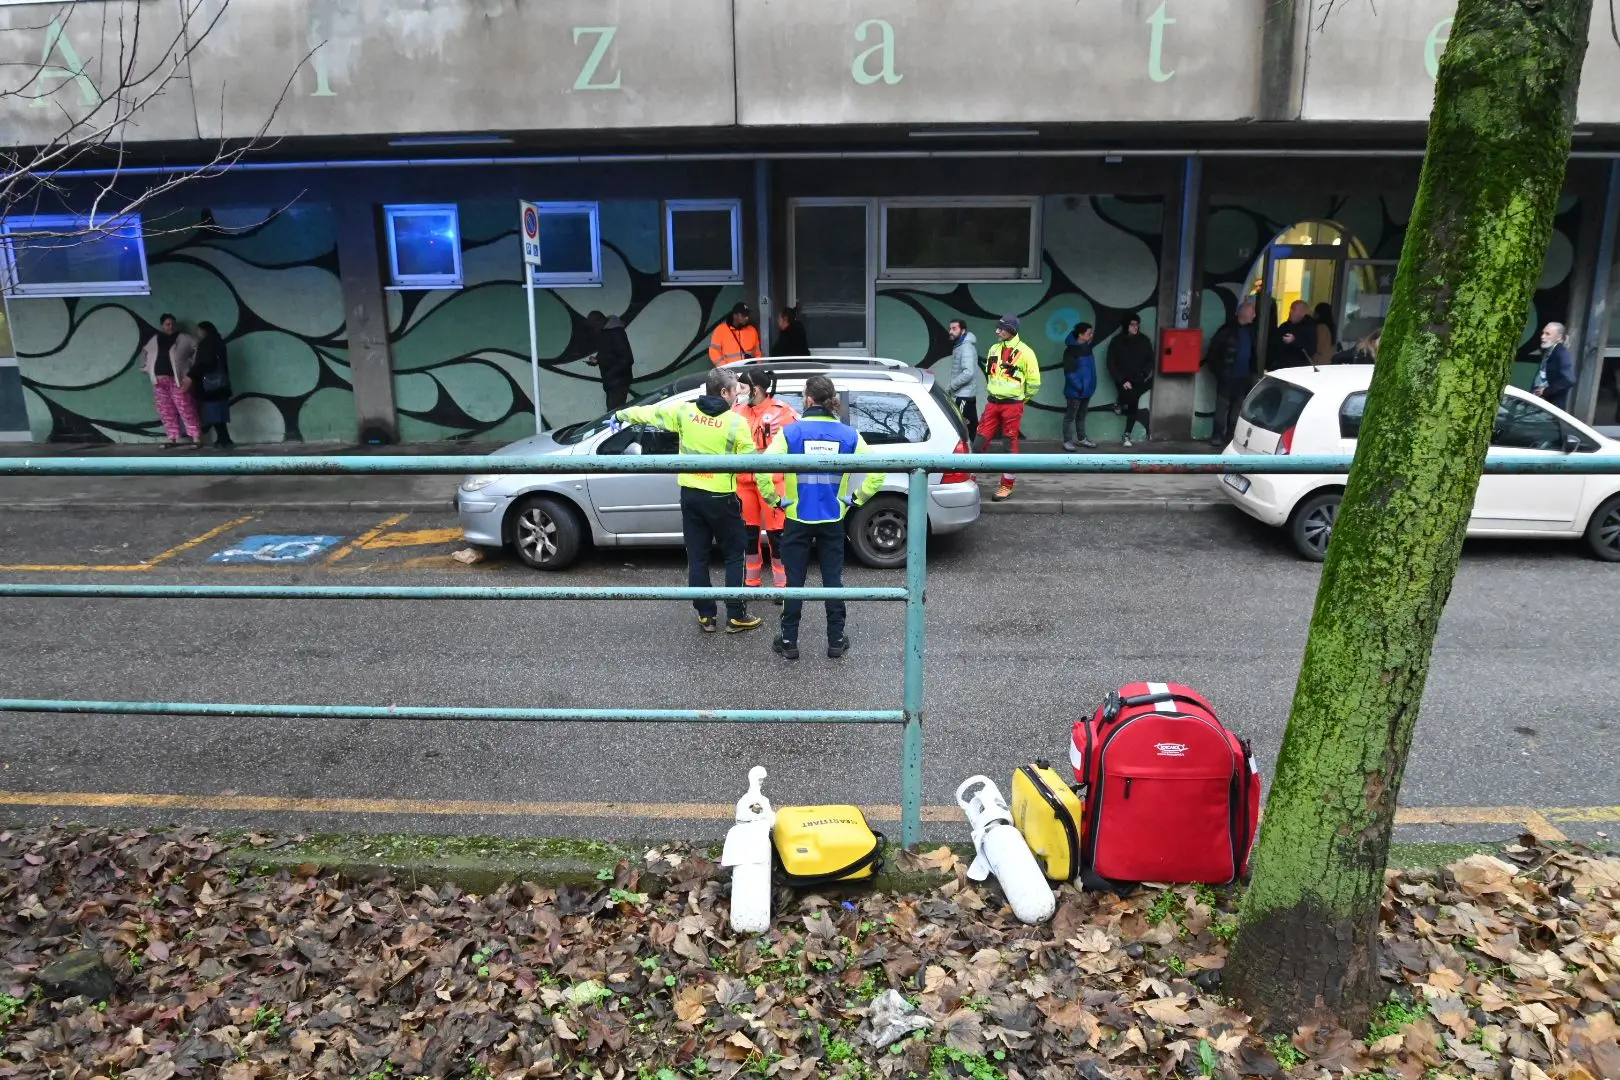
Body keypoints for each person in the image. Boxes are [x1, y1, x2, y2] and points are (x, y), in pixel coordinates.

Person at [615, 368, 763, 634]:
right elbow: (750, 462)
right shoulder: (735, 422)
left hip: (691, 495)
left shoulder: (685, 412)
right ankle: (736, 615)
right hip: (722, 498)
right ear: (723, 392)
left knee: (697, 557)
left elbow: (651, 413)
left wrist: (621, 414)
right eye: (734, 391)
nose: (737, 396)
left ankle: (706, 616)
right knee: (734, 554)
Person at [757, 375, 883, 661]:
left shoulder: (791, 432)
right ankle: (836, 641)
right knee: (832, 581)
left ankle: (789, 641)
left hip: (797, 518)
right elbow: (879, 471)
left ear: (808, 399)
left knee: (794, 582)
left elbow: (760, 467)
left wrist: (774, 500)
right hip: (832, 518)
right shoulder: (849, 435)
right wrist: (857, 499)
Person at [732, 368, 799, 590]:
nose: (738, 391)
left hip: (773, 484)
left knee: (777, 537)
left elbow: (795, 444)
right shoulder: (736, 411)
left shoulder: (783, 411)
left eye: (741, 387)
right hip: (743, 484)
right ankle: (751, 583)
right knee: (747, 537)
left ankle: (782, 587)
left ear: (757, 389)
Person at [971, 314, 1041, 502]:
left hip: (1012, 405)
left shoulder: (1026, 352)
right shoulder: (994, 348)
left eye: (1001, 328)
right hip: (992, 403)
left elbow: (1034, 382)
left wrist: (1021, 400)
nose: (997, 331)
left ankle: (1006, 486)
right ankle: (970, 479)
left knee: (1009, 446)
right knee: (978, 443)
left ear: (1011, 330)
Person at [1202, 302, 1258, 447]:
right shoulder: (1227, 330)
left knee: (1237, 408)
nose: (1254, 315)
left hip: (1243, 377)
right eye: (1252, 312)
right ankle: (1217, 435)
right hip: (1227, 377)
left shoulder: (1252, 331)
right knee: (1222, 407)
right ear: (1245, 313)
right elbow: (1213, 353)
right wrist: (1220, 373)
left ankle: (1231, 437)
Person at [141, 313, 200, 448]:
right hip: (159, 382)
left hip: (177, 380)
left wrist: (189, 366)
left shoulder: (185, 339)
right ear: (162, 325)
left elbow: (198, 350)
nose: (171, 326)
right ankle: (172, 438)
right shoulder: (155, 339)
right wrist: (147, 367)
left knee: (185, 408)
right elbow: (145, 352)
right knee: (166, 411)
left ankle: (196, 437)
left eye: (172, 324)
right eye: (167, 324)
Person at [1106, 314, 1155, 447]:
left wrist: (1144, 373)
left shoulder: (1144, 340)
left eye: (1137, 324)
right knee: (1130, 399)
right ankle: (1120, 402)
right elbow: (1111, 363)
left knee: (1133, 404)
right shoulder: (1117, 341)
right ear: (1126, 325)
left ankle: (1127, 434)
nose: (1135, 327)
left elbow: (1150, 359)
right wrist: (1122, 380)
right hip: (1123, 380)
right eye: (1132, 324)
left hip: (1138, 379)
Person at [189, 320, 234, 449]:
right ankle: (225, 439)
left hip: (210, 385)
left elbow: (205, 363)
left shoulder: (206, 344)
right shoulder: (219, 341)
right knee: (220, 412)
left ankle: (222, 439)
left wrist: (191, 375)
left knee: (213, 412)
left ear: (204, 330)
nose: (197, 333)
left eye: (198, 330)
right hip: (222, 383)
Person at [586, 310, 636, 411]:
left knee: (614, 413)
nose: (593, 330)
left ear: (599, 321)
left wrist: (611, 374)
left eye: (593, 326)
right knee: (614, 412)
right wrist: (597, 359)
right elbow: (609, 353)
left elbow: (627, 358)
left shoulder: (616, 333)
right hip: (611, 382)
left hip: (619, 382)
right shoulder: (605, 333)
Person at [1062, 322, 1097, 450]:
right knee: (1070, 417)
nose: (1091, 335)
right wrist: (1080, 387)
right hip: (1075, 391)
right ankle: (1067, 441)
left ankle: (1082, 439)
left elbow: (1091, 369)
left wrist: (1090, 386)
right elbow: (1070, 372)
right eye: (1089, 333)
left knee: (1081, 416)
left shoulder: (1088, 348)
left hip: (1087, 390)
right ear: (1081, 335)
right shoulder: (1070, 351)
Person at [945, 319, 981, 434]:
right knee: (971, 427)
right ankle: (975, 450)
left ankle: (968, 451)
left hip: (964, 396)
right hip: (964, 395)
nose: (951, 331)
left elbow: (968, 373)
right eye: (950, 329)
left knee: (960, 428)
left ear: (963, 330)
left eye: (954, 329)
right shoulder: (960, 346)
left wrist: (951, 387)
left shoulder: (966, 348)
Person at [1533, 322, 1576, 411]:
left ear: (1558, 337)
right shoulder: (1548, 350)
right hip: (1539, 401)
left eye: (1547, 334)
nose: (1542, 336)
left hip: (1551, 406)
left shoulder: (1561, 353)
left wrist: (1546, 391)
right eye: (1543, 333)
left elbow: (1569, 379)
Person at [708, 302, 762, 367]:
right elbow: (713, 351)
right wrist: (723, 367)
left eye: (747, 315)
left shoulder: (752, 330)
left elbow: (757, 353)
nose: (747, 318)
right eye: (743, 315)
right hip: (730, 372)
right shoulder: (720, 330)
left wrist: (758, 367)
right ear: (735, 315)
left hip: (749, 371)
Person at [1270, 301, 1317, 370]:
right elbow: (1274, 343)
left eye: (1294, 309)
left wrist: (1294, 341)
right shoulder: (1284, 326)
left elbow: (1310, 349)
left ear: (1302, 312)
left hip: (1297, 369)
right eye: (1290, 309)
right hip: (1280, 367)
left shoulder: (1309, 327)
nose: (1290, 312)